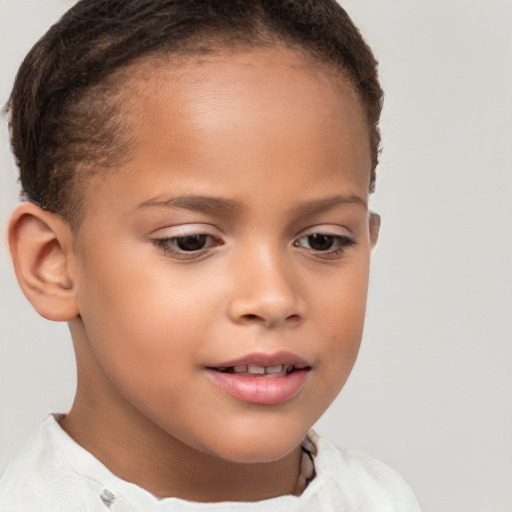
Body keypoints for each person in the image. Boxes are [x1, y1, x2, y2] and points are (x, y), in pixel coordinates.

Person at [0, 0, 421, 510]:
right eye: (191, 241)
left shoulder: (384, 499)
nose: (273, 298)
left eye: (322, 240)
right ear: (52, 264)